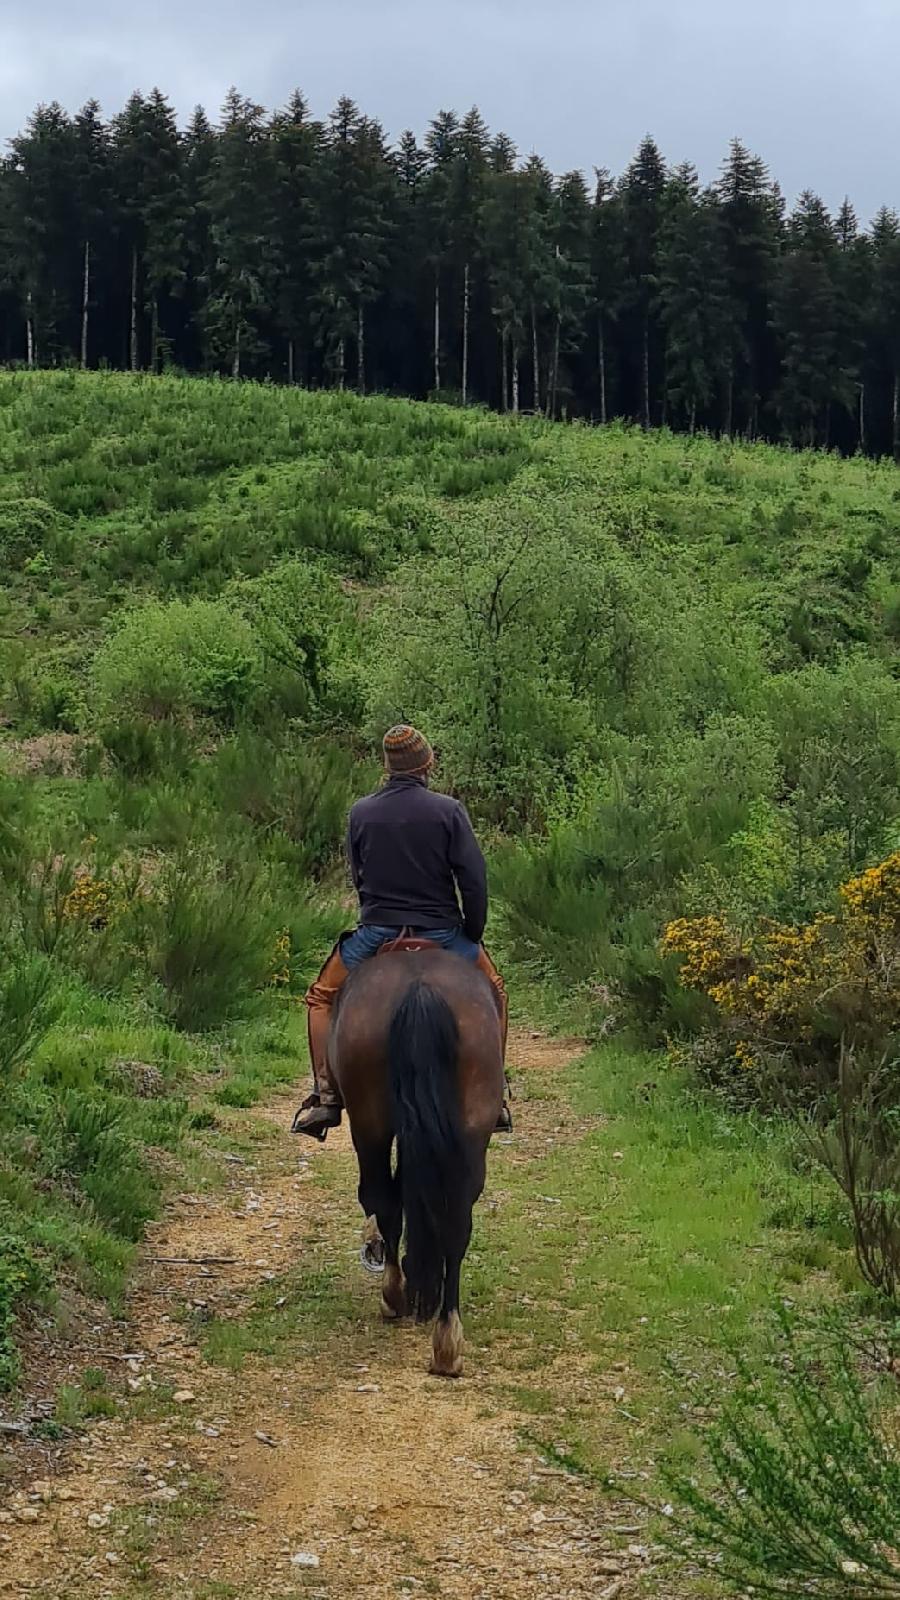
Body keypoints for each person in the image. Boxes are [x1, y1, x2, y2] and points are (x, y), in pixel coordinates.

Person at [292, 723, 512, 1141]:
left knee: (321, 998)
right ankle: (494, 1093)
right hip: (443, 932)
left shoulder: (361, 812)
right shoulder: (449, 811)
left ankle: (325, 1096)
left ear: (387, 767)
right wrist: (472, 931)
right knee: (495, 991)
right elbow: (473, 880)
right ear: (427, 763)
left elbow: (359, 876)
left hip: (377, 933)